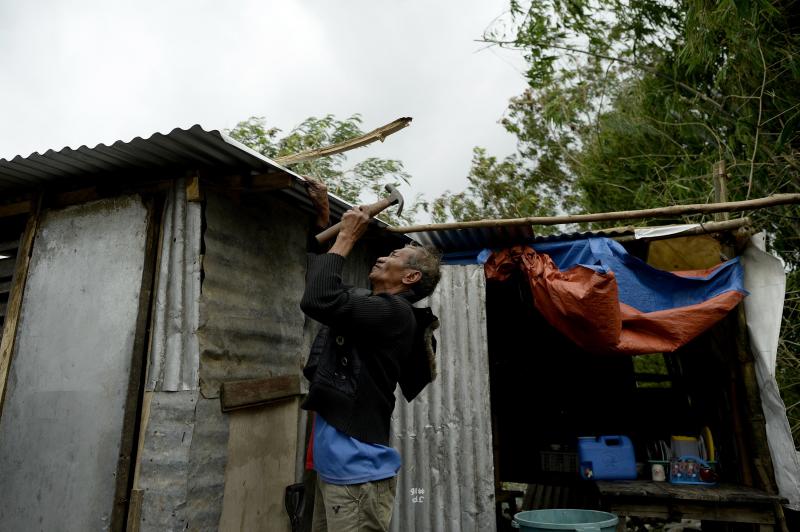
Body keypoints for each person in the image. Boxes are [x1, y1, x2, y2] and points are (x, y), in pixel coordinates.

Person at [300, 178, 441, 532]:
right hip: (335, 473)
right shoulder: (372, 307)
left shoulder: (394, 313)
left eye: (393, 255)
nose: (381, 256)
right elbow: (322, 279)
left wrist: (348, 236)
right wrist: (324, 217)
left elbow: (317, 299)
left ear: (410, 276)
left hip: (357, 479)